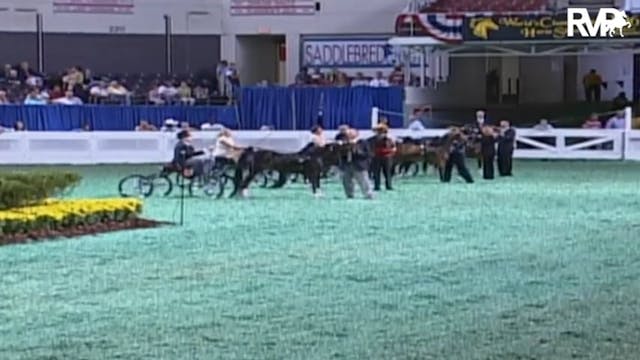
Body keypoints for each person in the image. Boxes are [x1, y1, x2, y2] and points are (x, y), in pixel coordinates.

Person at [338, 129, 373, 199]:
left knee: (363, 181)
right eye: (347, 134)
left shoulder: (362, 142)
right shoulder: (344, 143)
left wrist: (357, 150)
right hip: (347, 164)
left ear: (356, 134)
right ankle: (349, 194)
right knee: (347, 181)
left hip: (359, 165)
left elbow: (368, 153)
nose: (348, 135)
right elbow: (340, 154)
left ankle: (368, 195)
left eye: (350, 133)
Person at [371, 123, 396, 191]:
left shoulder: (389, 139)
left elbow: (393, 148)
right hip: (377, 157)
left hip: (387, 157)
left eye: (381, 130)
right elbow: (371, 148)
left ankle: (389, 185)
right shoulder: (372, 139)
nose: (380, 132)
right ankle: (377, 186)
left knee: (388, 172)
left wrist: (391, 152)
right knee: (376, 172)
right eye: (379, 130)